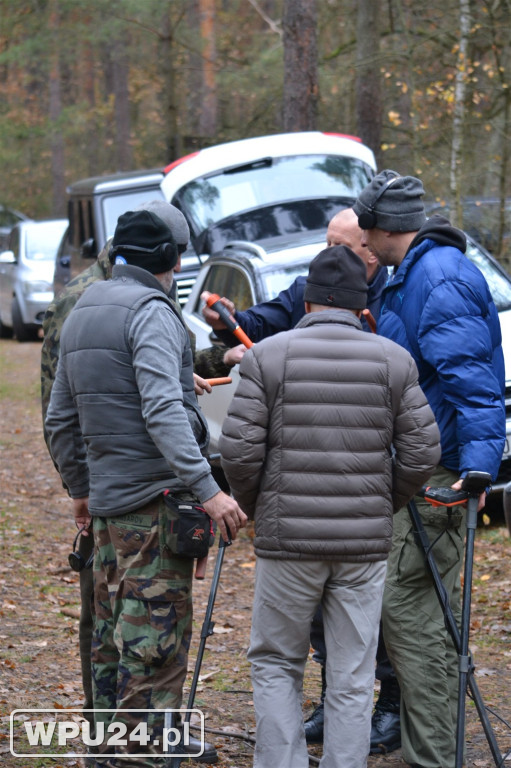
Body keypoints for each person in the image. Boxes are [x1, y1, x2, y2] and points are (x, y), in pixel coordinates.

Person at [218, 244, 441, 768]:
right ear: (363, 306)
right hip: (362, 547)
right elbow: (423, 450)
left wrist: (258, 505)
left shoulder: (267, 356)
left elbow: (238, 450)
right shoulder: (392, 359)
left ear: (309, 303)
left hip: (287, 544)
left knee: (276, 661)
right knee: (354, 672)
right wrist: (385, 502)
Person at [40, 200, 243, 766]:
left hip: (107, 511)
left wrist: (80, 489)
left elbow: (61, 417)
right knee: (153, 648)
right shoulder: (153, 311)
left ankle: (107, 753)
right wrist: (210, 489)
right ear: (172, 260)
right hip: (153, 511)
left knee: (109, 641)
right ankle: (150, 754)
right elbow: (160, 410)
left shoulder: (84, 308)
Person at [353, 169, 506, 768]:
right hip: (424, 463)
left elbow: (473, 382)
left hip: (437, 471)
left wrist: (475, 469)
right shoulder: (411, 275)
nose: (362, 240)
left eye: (365, 227)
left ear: (387, 226)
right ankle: (433, 749)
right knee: (423, 609)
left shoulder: (437, 277)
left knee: (411, 605)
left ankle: (435, 756)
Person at [203, 207, 387, 341]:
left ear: (371, 251)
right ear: (307, 306)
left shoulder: (394, 297)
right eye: (328, 244)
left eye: (341, 246)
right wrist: (228, 319)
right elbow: (255, 328)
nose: (330, 253)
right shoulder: (303, 290)